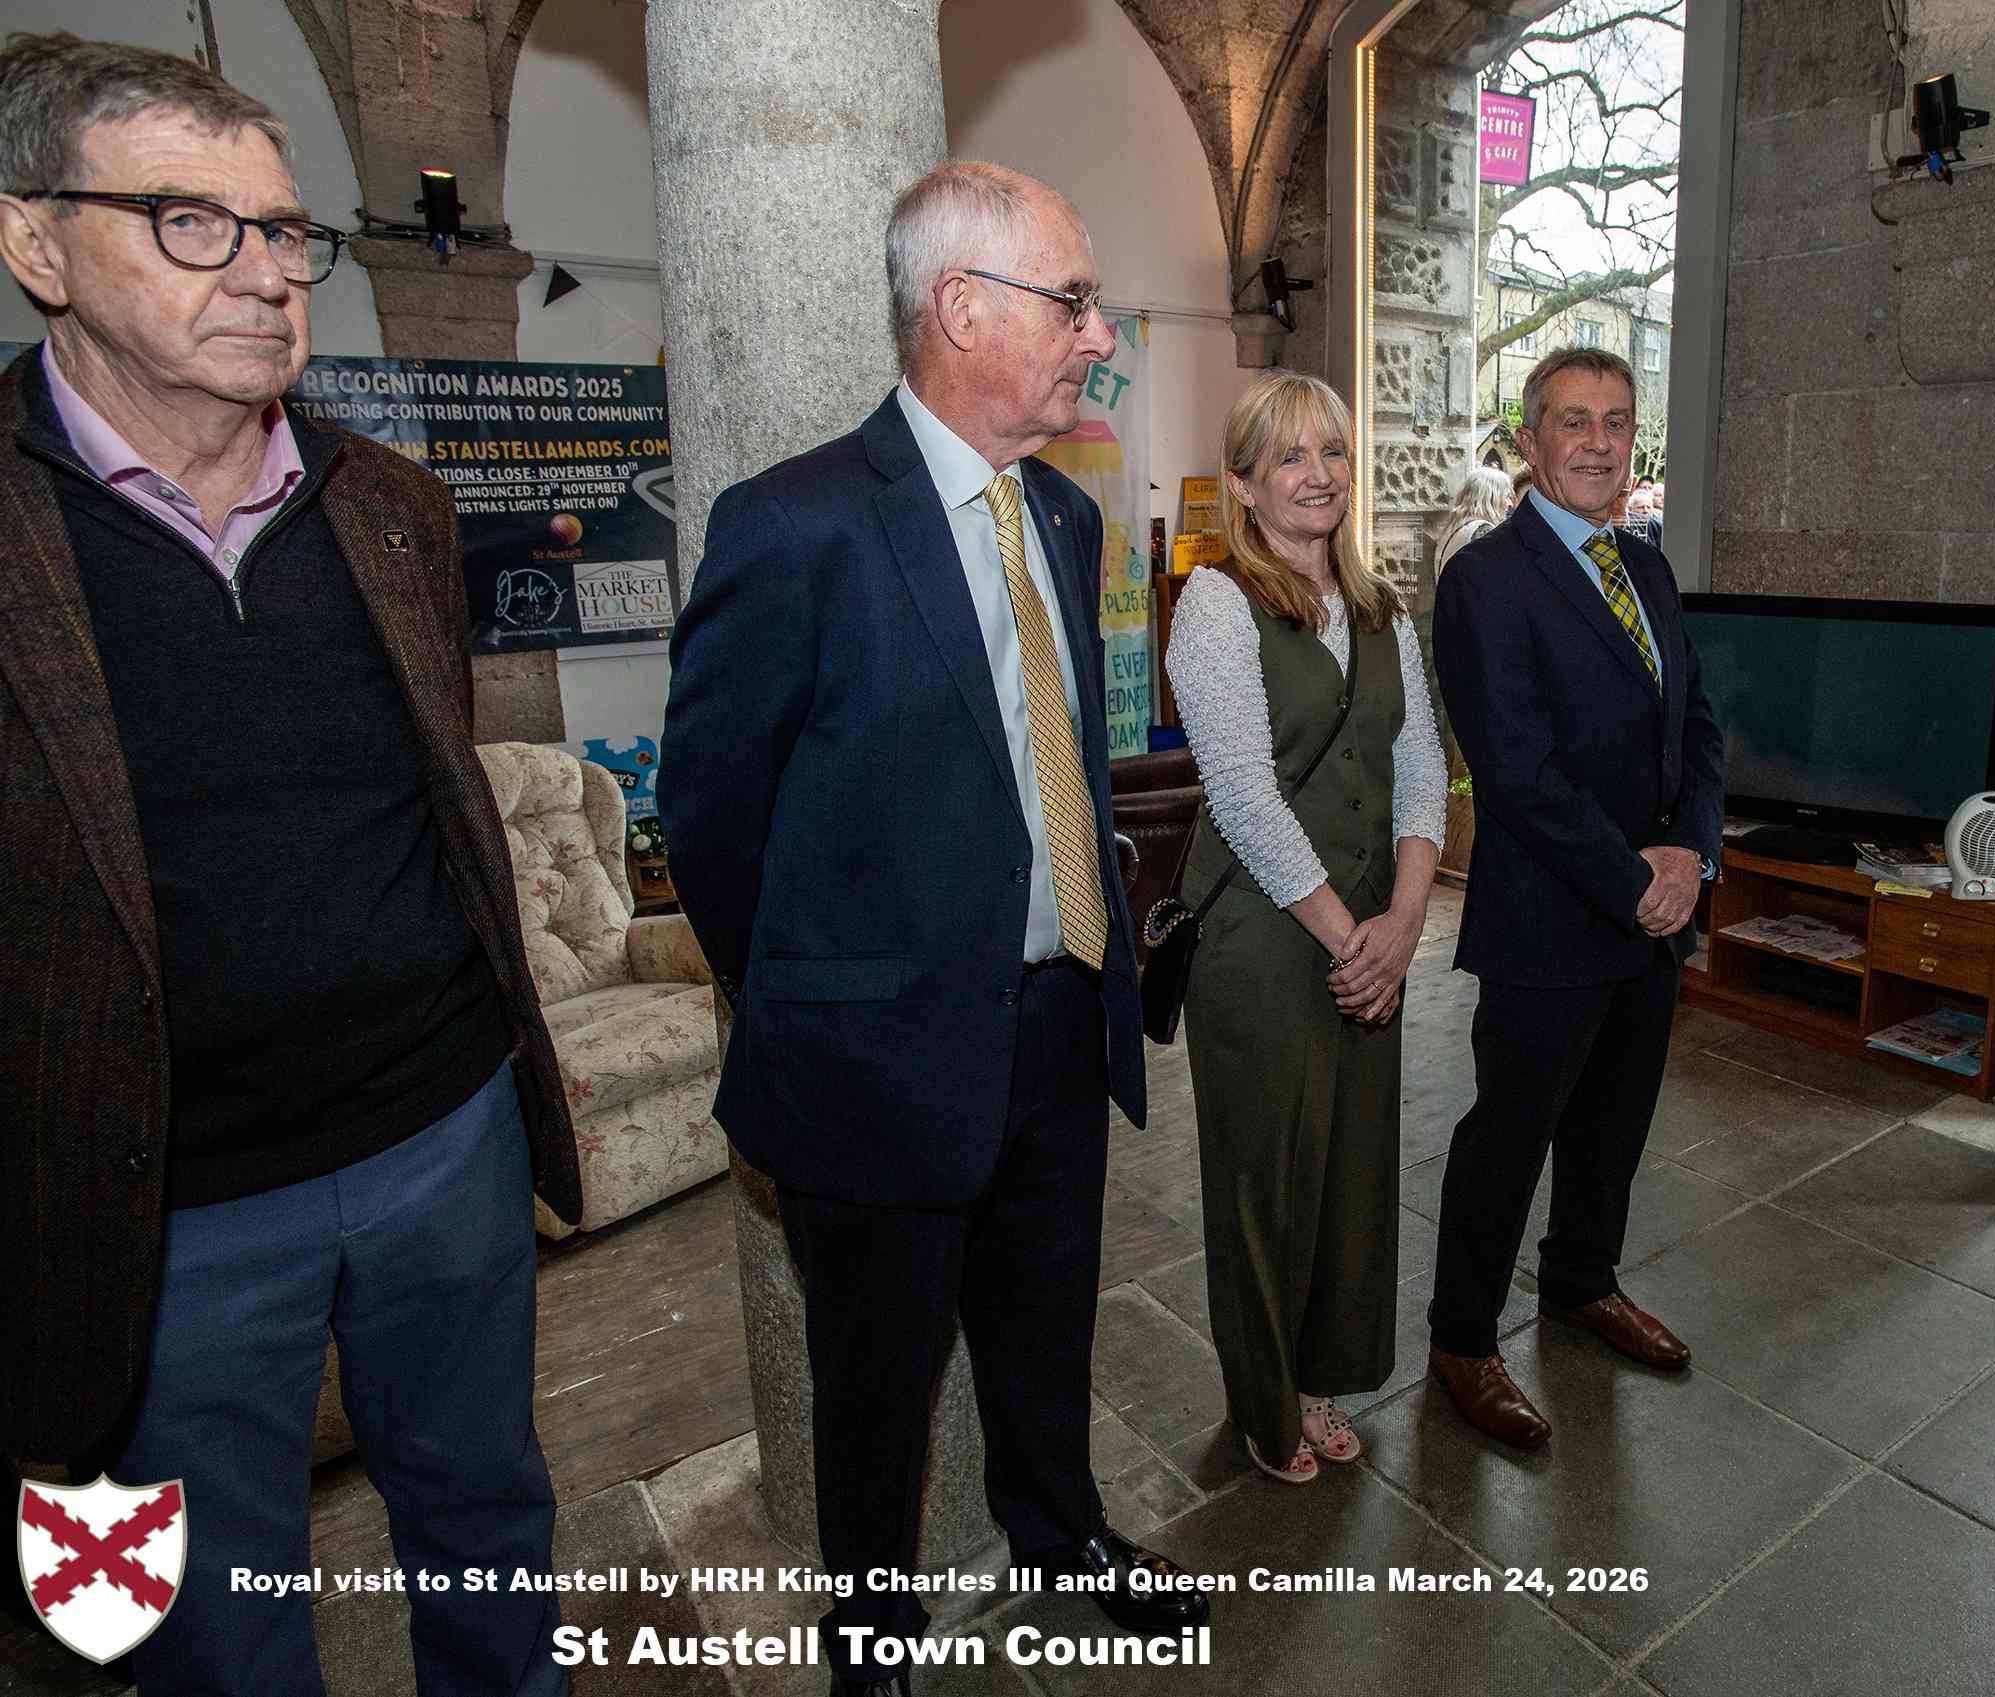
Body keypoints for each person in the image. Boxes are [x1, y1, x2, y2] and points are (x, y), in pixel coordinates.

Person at [0, 33, 577, 1694]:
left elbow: (436, 809)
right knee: (206, 1622)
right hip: (157, 1205)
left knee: (487, 1516)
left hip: (442, 1141)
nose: (267, 273)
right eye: (194, 222)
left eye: (286, 231)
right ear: (36, 243)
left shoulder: (387, 506)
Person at [659, 161, 1203, 1695]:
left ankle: (1062, 1533)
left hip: (1056, 1022)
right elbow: (713, 820)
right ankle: (875, 1641)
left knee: (1045, 1332)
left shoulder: (1067, 518)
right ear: (962, 308)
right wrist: (816, 999)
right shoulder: (799, 526)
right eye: (1075, 299)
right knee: (875, 1383)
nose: (1100, 334)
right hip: (876, 1057)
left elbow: (1057, 760)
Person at [1426, 347, 1724, 1448]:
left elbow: (1697, 724)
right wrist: (1634, 879)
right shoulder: (1486, 579)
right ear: (1530, 438)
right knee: (1511, 1134)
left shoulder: (1645, 568)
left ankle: (1581, 1283)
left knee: (1613, 1124)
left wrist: (1691, 855)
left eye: (1616, 422)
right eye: (1572, 421)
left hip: (1653, 919)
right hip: (1551, 920)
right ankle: (1463, 1337)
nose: (1597, 441)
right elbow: (1514, 770)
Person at [1165, 373, 1445, 1484]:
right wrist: (1353, 938)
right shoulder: (1217, 602)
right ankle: (1265, 1403)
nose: (1318, 473)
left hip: (1375, 925)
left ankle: (1322, 1371)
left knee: (1352, 1170)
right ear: (1242, 482)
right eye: (1288, 456)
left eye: (1331, 449)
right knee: (1265, 1177)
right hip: (1266, 939)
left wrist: (1407, 923)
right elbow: (1240, 792)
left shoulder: (1382, 607)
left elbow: (1422, 766)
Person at [1434, 463, 1511, 575]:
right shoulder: (1483, 530)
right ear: (1491, 498)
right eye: (1506, 496)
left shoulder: (1455, 525)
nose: (1510, 503)